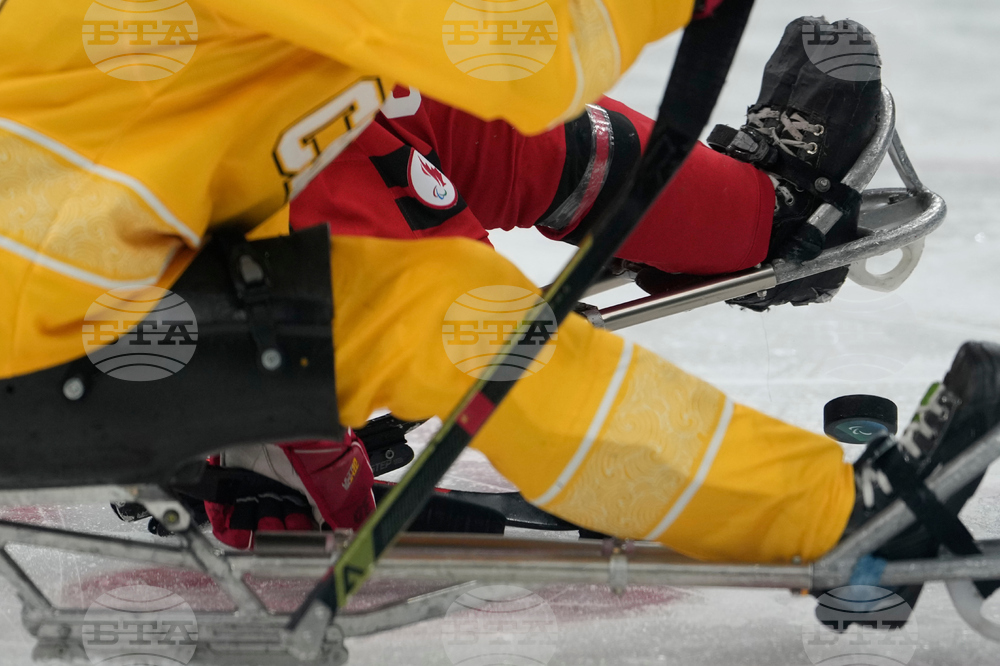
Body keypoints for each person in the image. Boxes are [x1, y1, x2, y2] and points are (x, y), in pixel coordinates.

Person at [0, 0, 996, 625]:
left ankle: (760, 211)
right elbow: (518, 50)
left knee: (410, 111)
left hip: (126, 220)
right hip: (72, 324)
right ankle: (845, 516)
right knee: (458, 318)